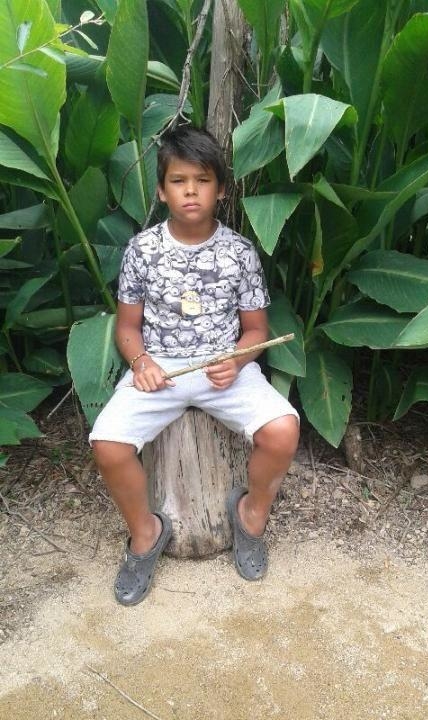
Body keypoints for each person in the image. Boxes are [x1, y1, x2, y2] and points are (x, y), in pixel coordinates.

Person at [90, 126, 299, 606]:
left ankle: (250, 519)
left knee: (283, 430)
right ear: (161, 191)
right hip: (159, 372)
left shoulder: (239, 252)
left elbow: (256, 330)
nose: (190, 191)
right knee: (108, 445)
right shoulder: (142, 250)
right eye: (179, 181)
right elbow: (127, 327)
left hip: (224, 369)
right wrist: (141, 362)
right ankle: (145, 533)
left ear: (220, 190)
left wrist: (238, 359)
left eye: (202, 180)